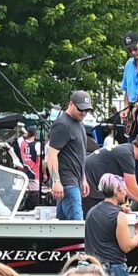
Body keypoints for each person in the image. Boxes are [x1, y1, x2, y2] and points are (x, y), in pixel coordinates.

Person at [47, 90, 93, 220]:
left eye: (86, 110)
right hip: (67, 183)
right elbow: (52, 154)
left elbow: (79, 154)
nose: (83, 113)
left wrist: (83, 179)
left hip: (75, 181)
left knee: (64, 227)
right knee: (76, 228)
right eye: (80, 109)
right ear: (71, 104)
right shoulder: (62, 124)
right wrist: (56, 181)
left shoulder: (79, 123)